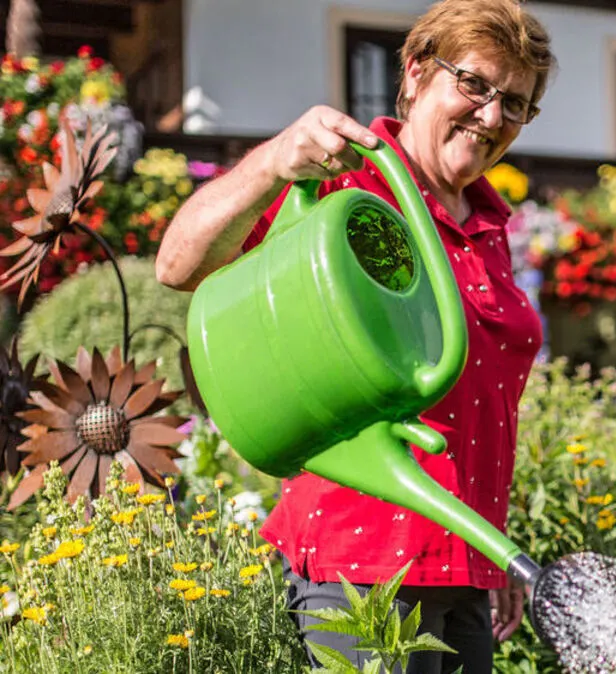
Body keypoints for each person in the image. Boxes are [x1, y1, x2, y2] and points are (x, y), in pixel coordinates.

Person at [155, 1, 556, 671]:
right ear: (416, 73)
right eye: (475, 85)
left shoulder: (488, 226)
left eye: (514, 104)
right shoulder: (347, 182)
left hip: (463, 568)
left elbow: (480, 410)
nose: (491, 117)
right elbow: (177, 264)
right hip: (364, 569)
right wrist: (274, 160)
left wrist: (494, 548)